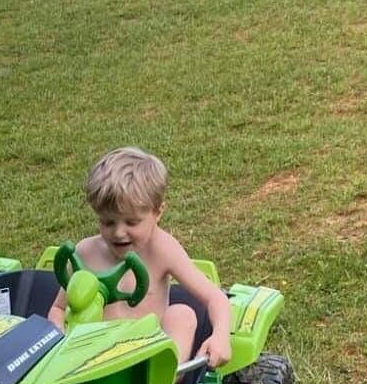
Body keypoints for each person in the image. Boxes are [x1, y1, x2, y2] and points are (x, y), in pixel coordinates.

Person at [47, 147, 232, 366]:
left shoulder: (162, 249)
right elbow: (58, 308)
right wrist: (58, 331)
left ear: (158, 212)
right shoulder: (85, 252)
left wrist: (221, 336)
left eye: (132, 222)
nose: (118, 232)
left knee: (182, 314)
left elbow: (215, 297)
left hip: (148, 362)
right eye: (107, 222)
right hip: (92, 364)